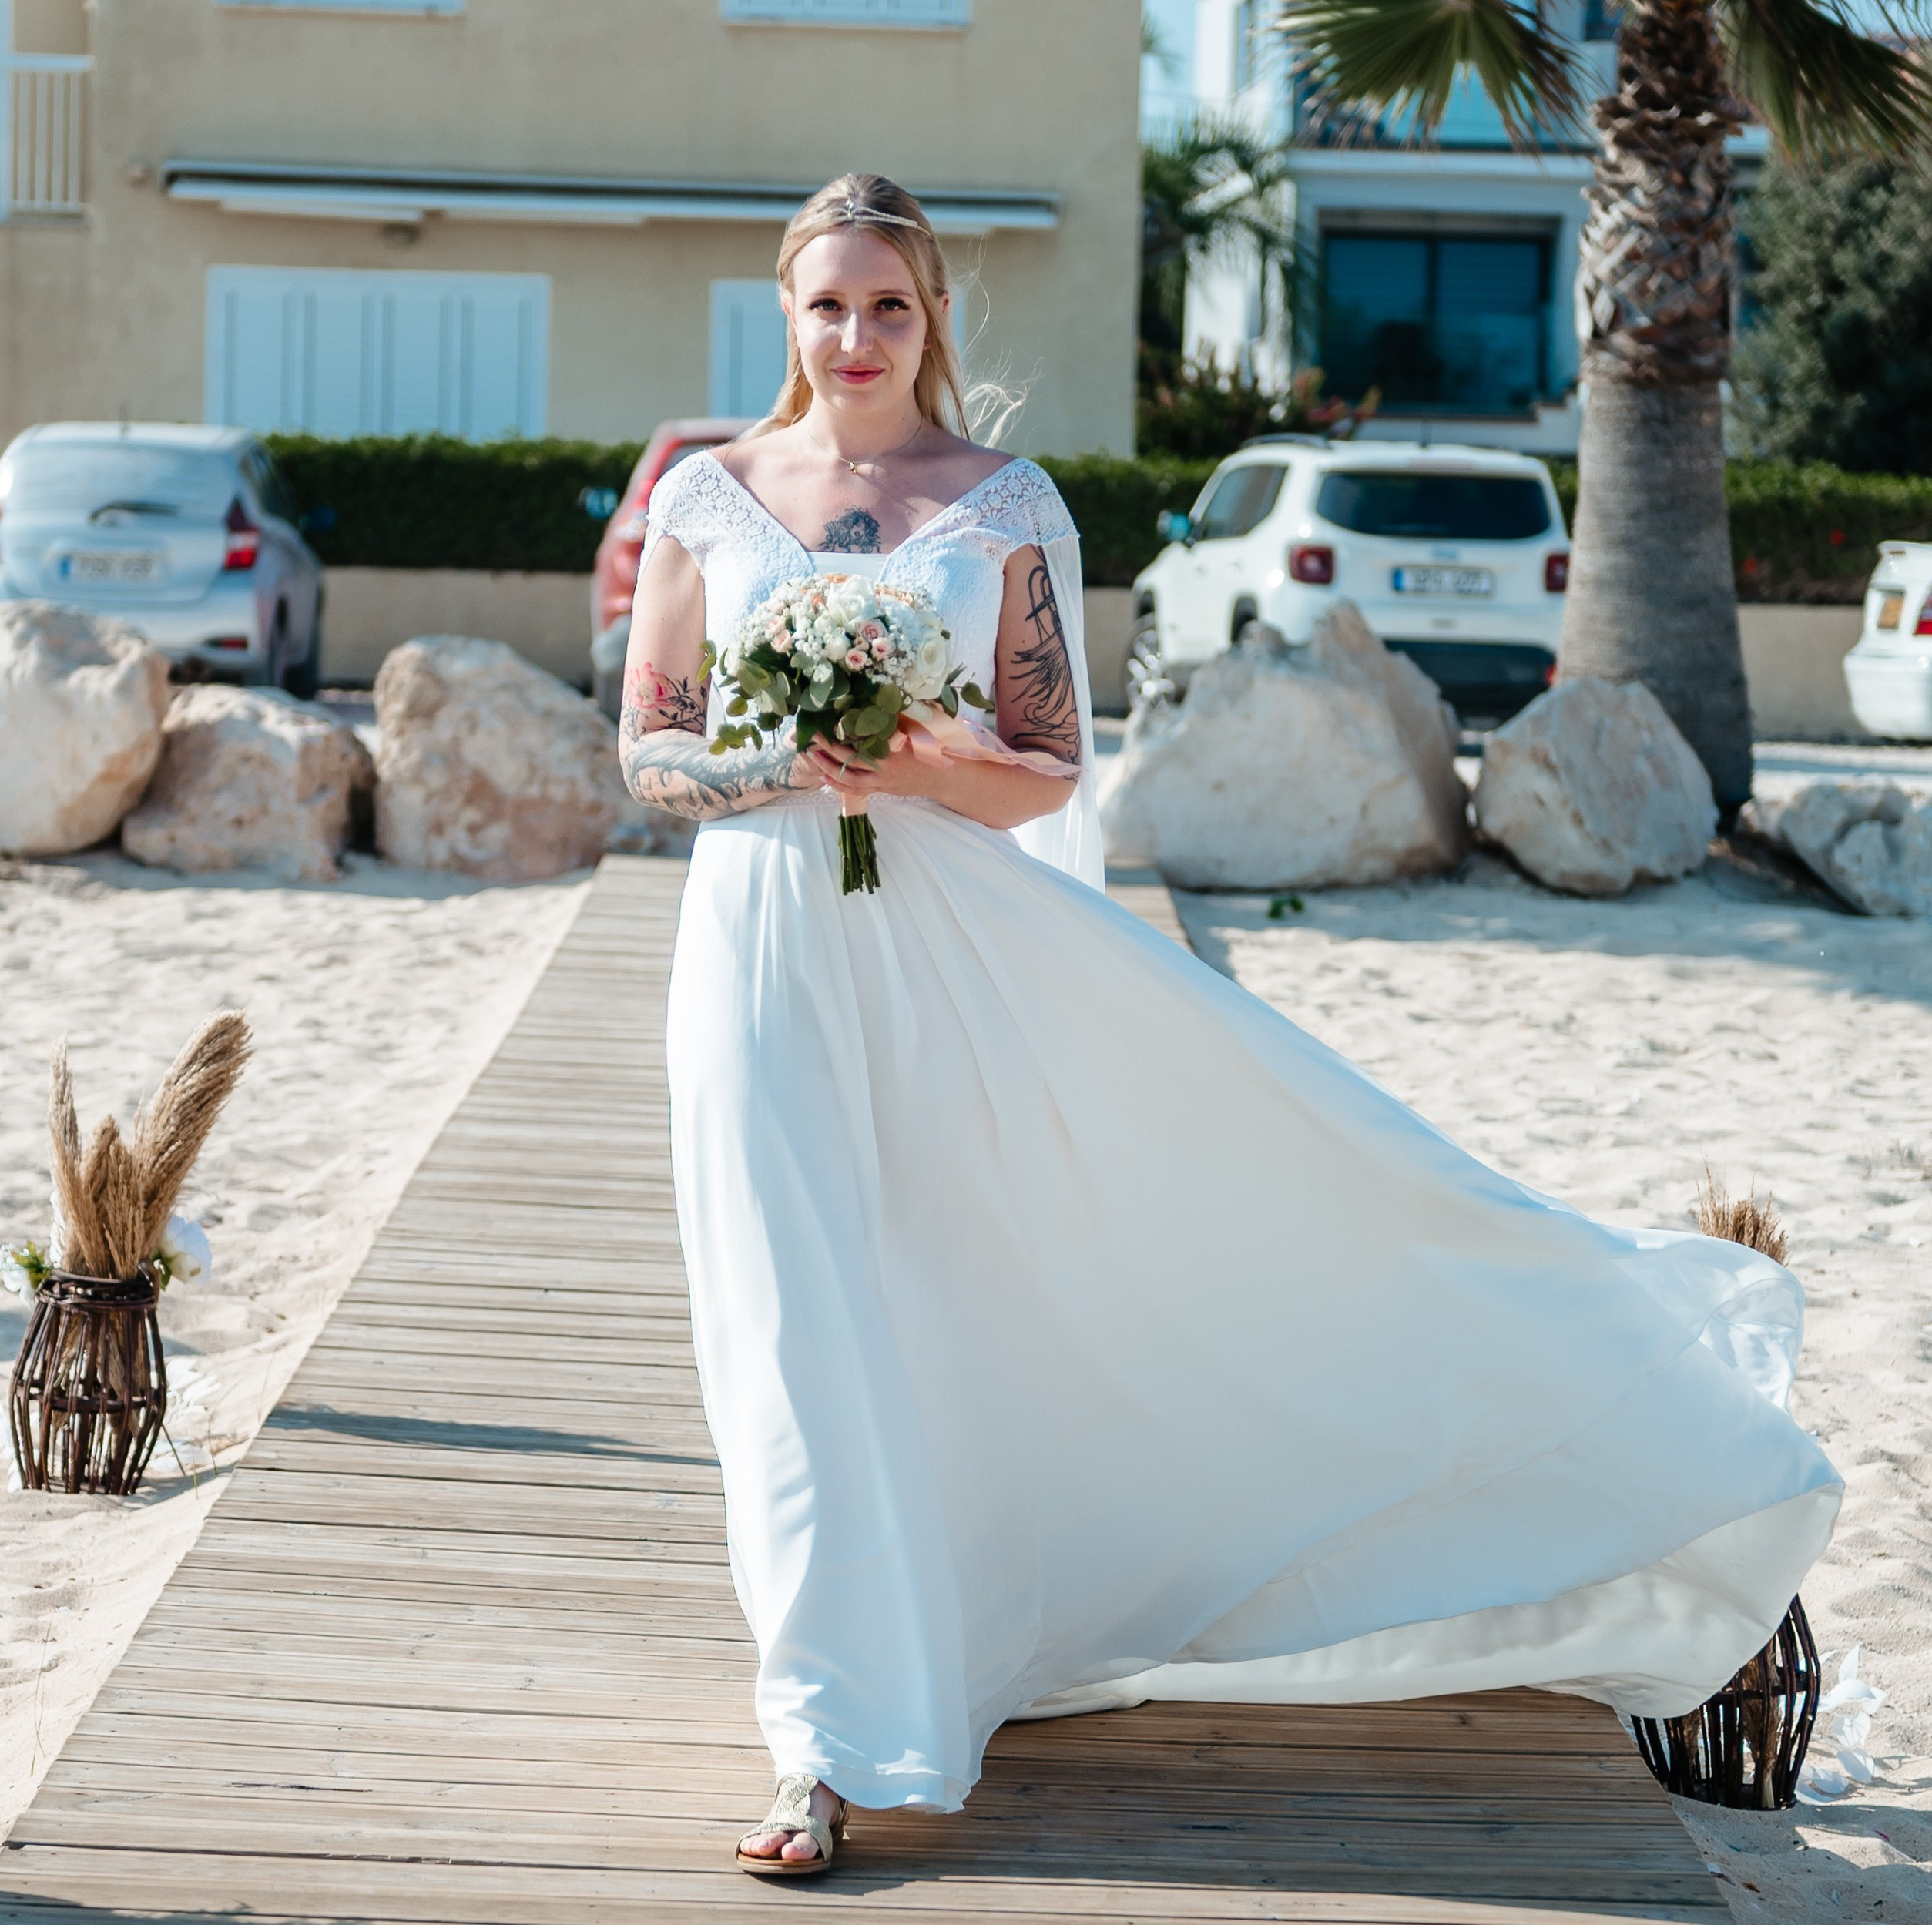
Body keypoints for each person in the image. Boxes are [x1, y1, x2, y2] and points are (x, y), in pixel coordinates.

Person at [619, 173, 1841, 1879]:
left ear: (931, 319)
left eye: (887, 306)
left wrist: (896, 756)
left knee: (951, 1298)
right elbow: (650, 750)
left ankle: (969, 1627)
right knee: (786, 1318)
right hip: (755, 944)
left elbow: (1044, 761)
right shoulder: (707, 495)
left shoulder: (998, 502)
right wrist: (777, 759)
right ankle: (818, 1740)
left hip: (951, 949)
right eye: (826, 305)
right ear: (785, 312)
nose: (854, 337)